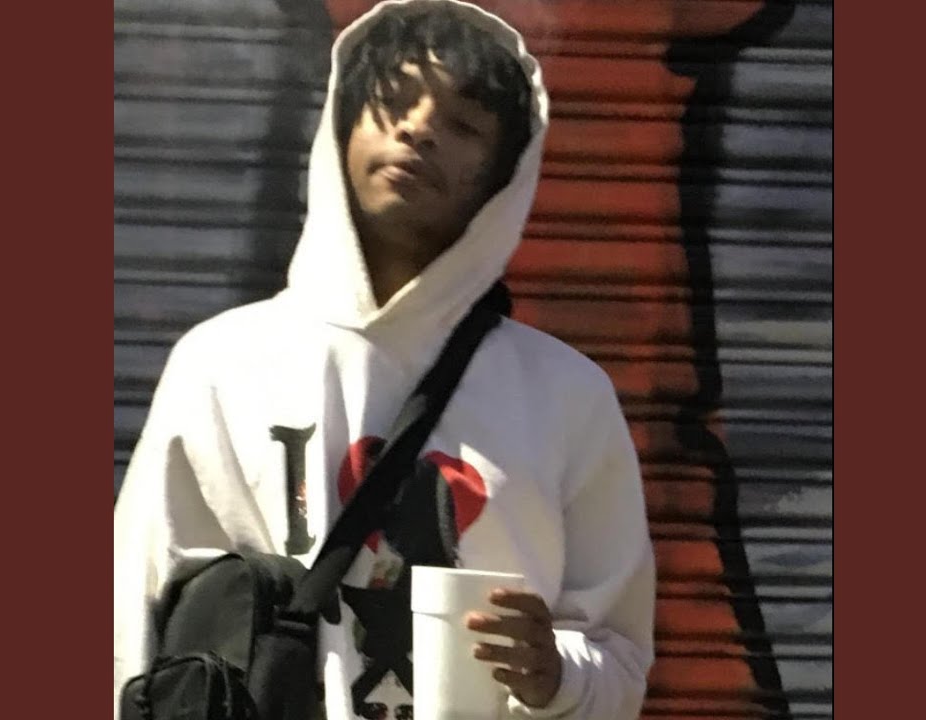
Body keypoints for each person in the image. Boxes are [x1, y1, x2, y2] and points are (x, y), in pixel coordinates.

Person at [113, 1, 656, 718]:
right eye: (393, 102)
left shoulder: (566, 396)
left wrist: (554, 676)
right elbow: (134, 623)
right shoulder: (223, 364)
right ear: (342, 125)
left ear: (504, 175)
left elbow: (619, 657)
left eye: (463, 126)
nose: (418, 129)